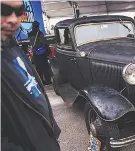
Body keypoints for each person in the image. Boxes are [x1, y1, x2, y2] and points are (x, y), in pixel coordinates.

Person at [1, 1, 61, 150]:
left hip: (47, 140)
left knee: (42, 71)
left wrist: (52, 126)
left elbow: (33, 89)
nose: (14, 19)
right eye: (4, 9)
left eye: (19, 11)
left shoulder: (10, 44)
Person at [28, 21, 52, 85]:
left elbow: (31, 43)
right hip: (42, 53)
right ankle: (48, 81)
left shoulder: (29, 34)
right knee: (45, 67)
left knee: (38, 69)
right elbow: (44, 42)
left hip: (35, 53)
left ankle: (41, 81)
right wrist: (48, 50)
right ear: (38, 26)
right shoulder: (39, 33)